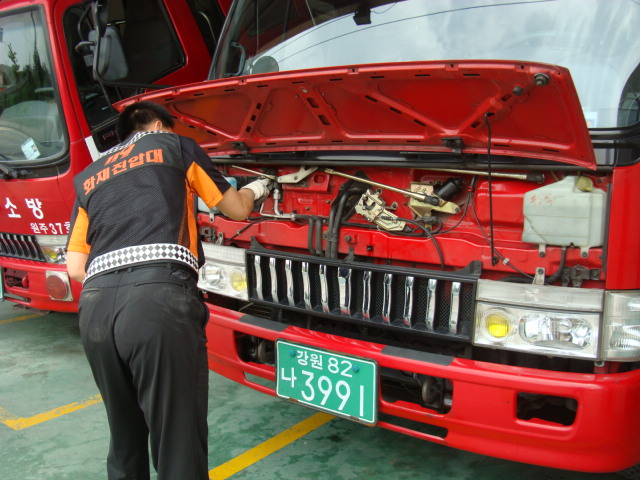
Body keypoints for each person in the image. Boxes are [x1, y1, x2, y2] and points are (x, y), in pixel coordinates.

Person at [66, 101, 271, 480]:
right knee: (177, 443)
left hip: (95, 310)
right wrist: (257, 188)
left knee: (124, 441)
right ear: (159, 125)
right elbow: (237, 210)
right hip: (157, 302)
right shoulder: (175, 146)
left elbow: (76, 267)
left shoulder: (88, 176)